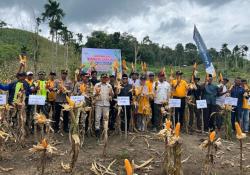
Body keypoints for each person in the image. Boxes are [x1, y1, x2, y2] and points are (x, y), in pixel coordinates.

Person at [94, 73, 114, 139]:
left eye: (105, 78)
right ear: (101, 78)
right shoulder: (97, 85)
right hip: (99, 103)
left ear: (107, 78)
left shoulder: (109, 86)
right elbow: (93, 94)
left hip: (106, 104)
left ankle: (105, 130)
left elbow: (112, 95)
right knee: (97, 118)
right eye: (103, 78)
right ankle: (97, 130)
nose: (104, 79)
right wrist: (96, 93)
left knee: (105, 118)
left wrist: (111, 93)